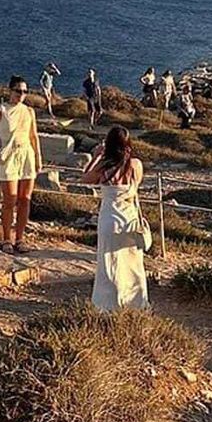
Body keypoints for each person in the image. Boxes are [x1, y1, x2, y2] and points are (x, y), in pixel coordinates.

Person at [82, 126, 148, 311]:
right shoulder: (135, 165)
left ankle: (108, 304)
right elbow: (137, 183)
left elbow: (85, 178)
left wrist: (96, 156)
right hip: (129, 219)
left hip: (109, 218)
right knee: (132, 263)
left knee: (109, 263)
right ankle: (136, 302)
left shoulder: (104, 166)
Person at [0, 76, 41, 254]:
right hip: (9, 156)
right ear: (10, 91)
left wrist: (38, 157)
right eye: (18, 91)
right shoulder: (0, 110)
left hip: (26, 155)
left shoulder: (29, 111)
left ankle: (20, 238)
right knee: (10, 199)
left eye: (25, 91)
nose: (21, 94)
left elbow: (34, 136)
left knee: (25, 199)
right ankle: (6, 238)